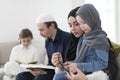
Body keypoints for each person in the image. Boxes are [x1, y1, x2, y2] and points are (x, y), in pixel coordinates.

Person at [52, 3, 110, 80]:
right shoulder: (84, 37)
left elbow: (102, 64)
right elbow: (81, 59)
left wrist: (77, 66)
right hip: (83, 70)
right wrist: (68, 65)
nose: (82, 26)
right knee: (59, 76)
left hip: (91, 73)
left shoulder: (99, 39)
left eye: (83, 23)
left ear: (92, 19)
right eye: (80, 23)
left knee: (59, 77)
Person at [15, 14, 71, 80]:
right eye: (39, 30)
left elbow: (69, 65)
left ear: (51, 26)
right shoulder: (47, 41)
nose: (40, 34)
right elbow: (50, 63)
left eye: (42, 30)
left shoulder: (67, 38)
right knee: (21, 76)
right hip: (51, 71)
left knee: (39, 78)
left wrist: (45, 72)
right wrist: (42, 70)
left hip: (61, 73)